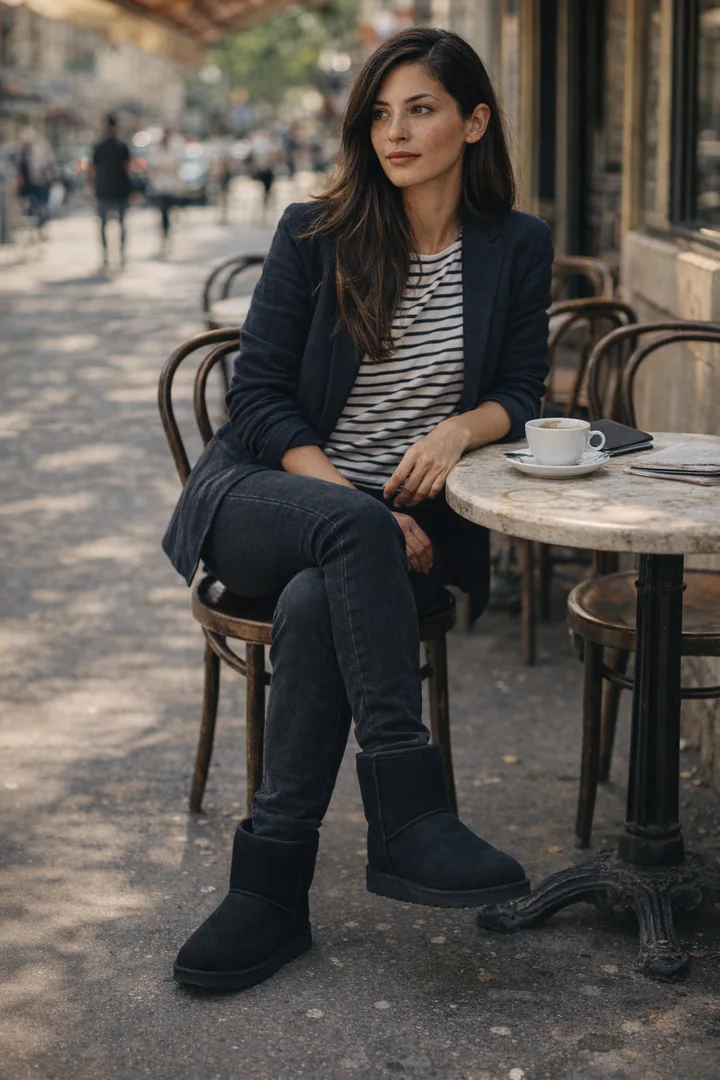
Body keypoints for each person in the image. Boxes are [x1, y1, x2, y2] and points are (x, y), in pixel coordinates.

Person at [162, 27, 553, 992]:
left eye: (420, 108)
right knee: (344, 532)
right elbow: (255, 401)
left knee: (311, 605)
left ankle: (269, 893)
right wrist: (359, 508)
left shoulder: (516, 246)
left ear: (474, 121)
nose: (396, 131)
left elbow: (524, 389)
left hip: (394, 544)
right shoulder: (314, 233)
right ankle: (410, 813)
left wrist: (462, 430)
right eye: (380, 113)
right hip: (267, 500)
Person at [89, 114, 131, 270]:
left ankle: (107, 257)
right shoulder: (122, 146)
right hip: (119, 189)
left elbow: (93, 170)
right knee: (120, 224)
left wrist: (92, 186)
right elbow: (128, 168)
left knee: (105, 225)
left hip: (105, 190)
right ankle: (120, 256)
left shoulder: (99, 146)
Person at [148, 129, 185, 256]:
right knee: (163, 212)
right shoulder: (156, 147)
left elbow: (175, 163)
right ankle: (164, 235)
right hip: (161, 186)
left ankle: (168, 235)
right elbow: (154, 162)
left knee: (170, 211)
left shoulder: (176, 145)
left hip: (172, 186)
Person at [16, 127, 57, 228]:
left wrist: (51, 178)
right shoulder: (22, 151)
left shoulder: (41, 149)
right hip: (28, 185)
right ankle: (37, 226)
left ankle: (42, 225)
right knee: (32, 208)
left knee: (42, 206)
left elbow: (48, 164)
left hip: (41, 183)